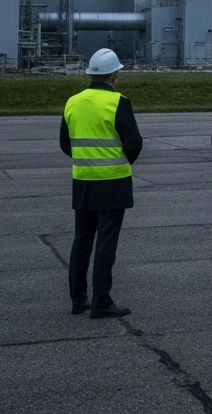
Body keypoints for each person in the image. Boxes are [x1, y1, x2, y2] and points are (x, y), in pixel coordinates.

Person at [60, 48, 142, 317]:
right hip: (112, 182)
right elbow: (134, 143)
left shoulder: (72, 102)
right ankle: (101, 301)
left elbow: (65, 143)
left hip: (83, 181)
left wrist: (87, 159)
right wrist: (119, 161)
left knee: (82, 240)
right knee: (106, 243)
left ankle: (77, 299)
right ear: (114, 76)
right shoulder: (119, 102)